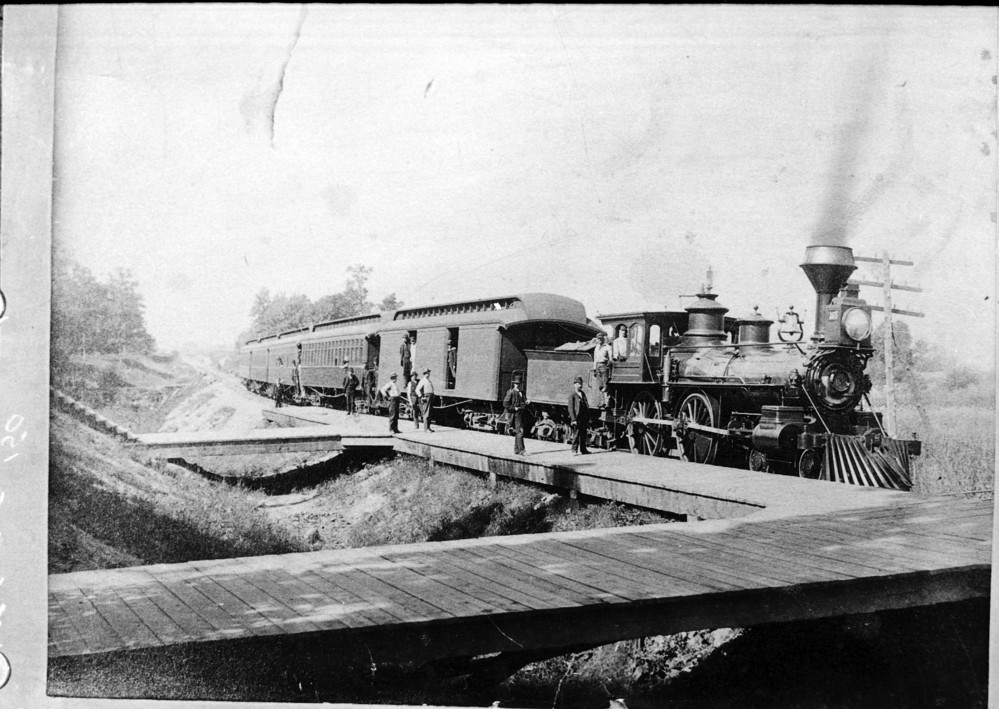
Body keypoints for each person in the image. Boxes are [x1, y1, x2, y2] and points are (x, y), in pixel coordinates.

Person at [503, 377, 528, 455]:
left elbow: (523, 401)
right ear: (514, 384)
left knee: (518, 431)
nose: (518, 385)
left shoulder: (522, 392)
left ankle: (517, 450)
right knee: (520, 431)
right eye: (516, 384)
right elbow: (505, 403)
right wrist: (514, 408)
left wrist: (526, 402)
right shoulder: (511, 392)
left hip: (522, 413)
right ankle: (522, 450)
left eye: (519, 384)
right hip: (515, 414)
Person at [568, 375, 590, 455]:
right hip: (577, 417)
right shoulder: (572, 395)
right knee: (576, 434)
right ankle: (574, 450)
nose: (580, 385)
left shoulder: (582, 393)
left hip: (583, 416)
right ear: (574, 385)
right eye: (578, 384)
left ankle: (583, 449)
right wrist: (573, 419)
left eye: (581, 384)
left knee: (583, 433)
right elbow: (571, 408)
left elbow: (586, 404)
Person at [593, 332, 613, 407]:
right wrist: (594, 368)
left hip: (604, 365)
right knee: (600, 385)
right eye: (598, 339)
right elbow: (595, 359)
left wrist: (608, 365)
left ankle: (607, 401)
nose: (599, 340)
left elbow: (610, 358)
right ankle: (602, 401)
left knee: (605, 384)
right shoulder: (596, 348)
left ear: (603, 339)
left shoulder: (608, 347)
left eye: (601, 338)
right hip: (598, 366)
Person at [415, 368, 435, 432]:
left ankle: (428, 427)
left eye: (428, 373)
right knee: (426, 413)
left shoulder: (429, 380)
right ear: (424, 374)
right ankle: (426, 428)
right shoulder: (422, 381)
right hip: (426, 397)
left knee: (430, 412)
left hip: (430, 396)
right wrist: (421, 396)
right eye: (427, 373)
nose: (428, 374)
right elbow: (417, 390)